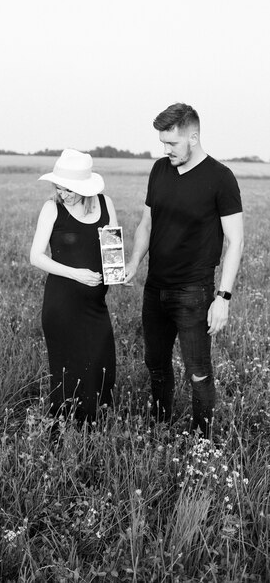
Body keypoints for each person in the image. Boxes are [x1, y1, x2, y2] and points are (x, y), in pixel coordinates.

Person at [124, 103, 244, 438]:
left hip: (194, 292)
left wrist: (223, 297)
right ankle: (160, 428)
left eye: (172, 143)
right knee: (156, 365)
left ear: (193, 136)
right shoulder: (160, 170)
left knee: (198, 373)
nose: (166, 150)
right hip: (155, 288)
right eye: (163, 143)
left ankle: (202, 440)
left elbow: (235, 241)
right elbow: (147, 223)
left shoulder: (220, 178)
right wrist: (134, 261)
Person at [30, 148, 118, 427]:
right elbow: (36, 257)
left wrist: (118, 273)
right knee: (68, 372)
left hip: (95, 306)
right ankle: (63, 430)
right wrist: (76, 274)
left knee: (103, 366)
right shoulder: (51, 208)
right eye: (58, 187)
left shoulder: (105, 204)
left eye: (68, 189)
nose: (62, 194)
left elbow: (111, 250)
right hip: (62, 306)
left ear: (84, 186)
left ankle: (95, 428)